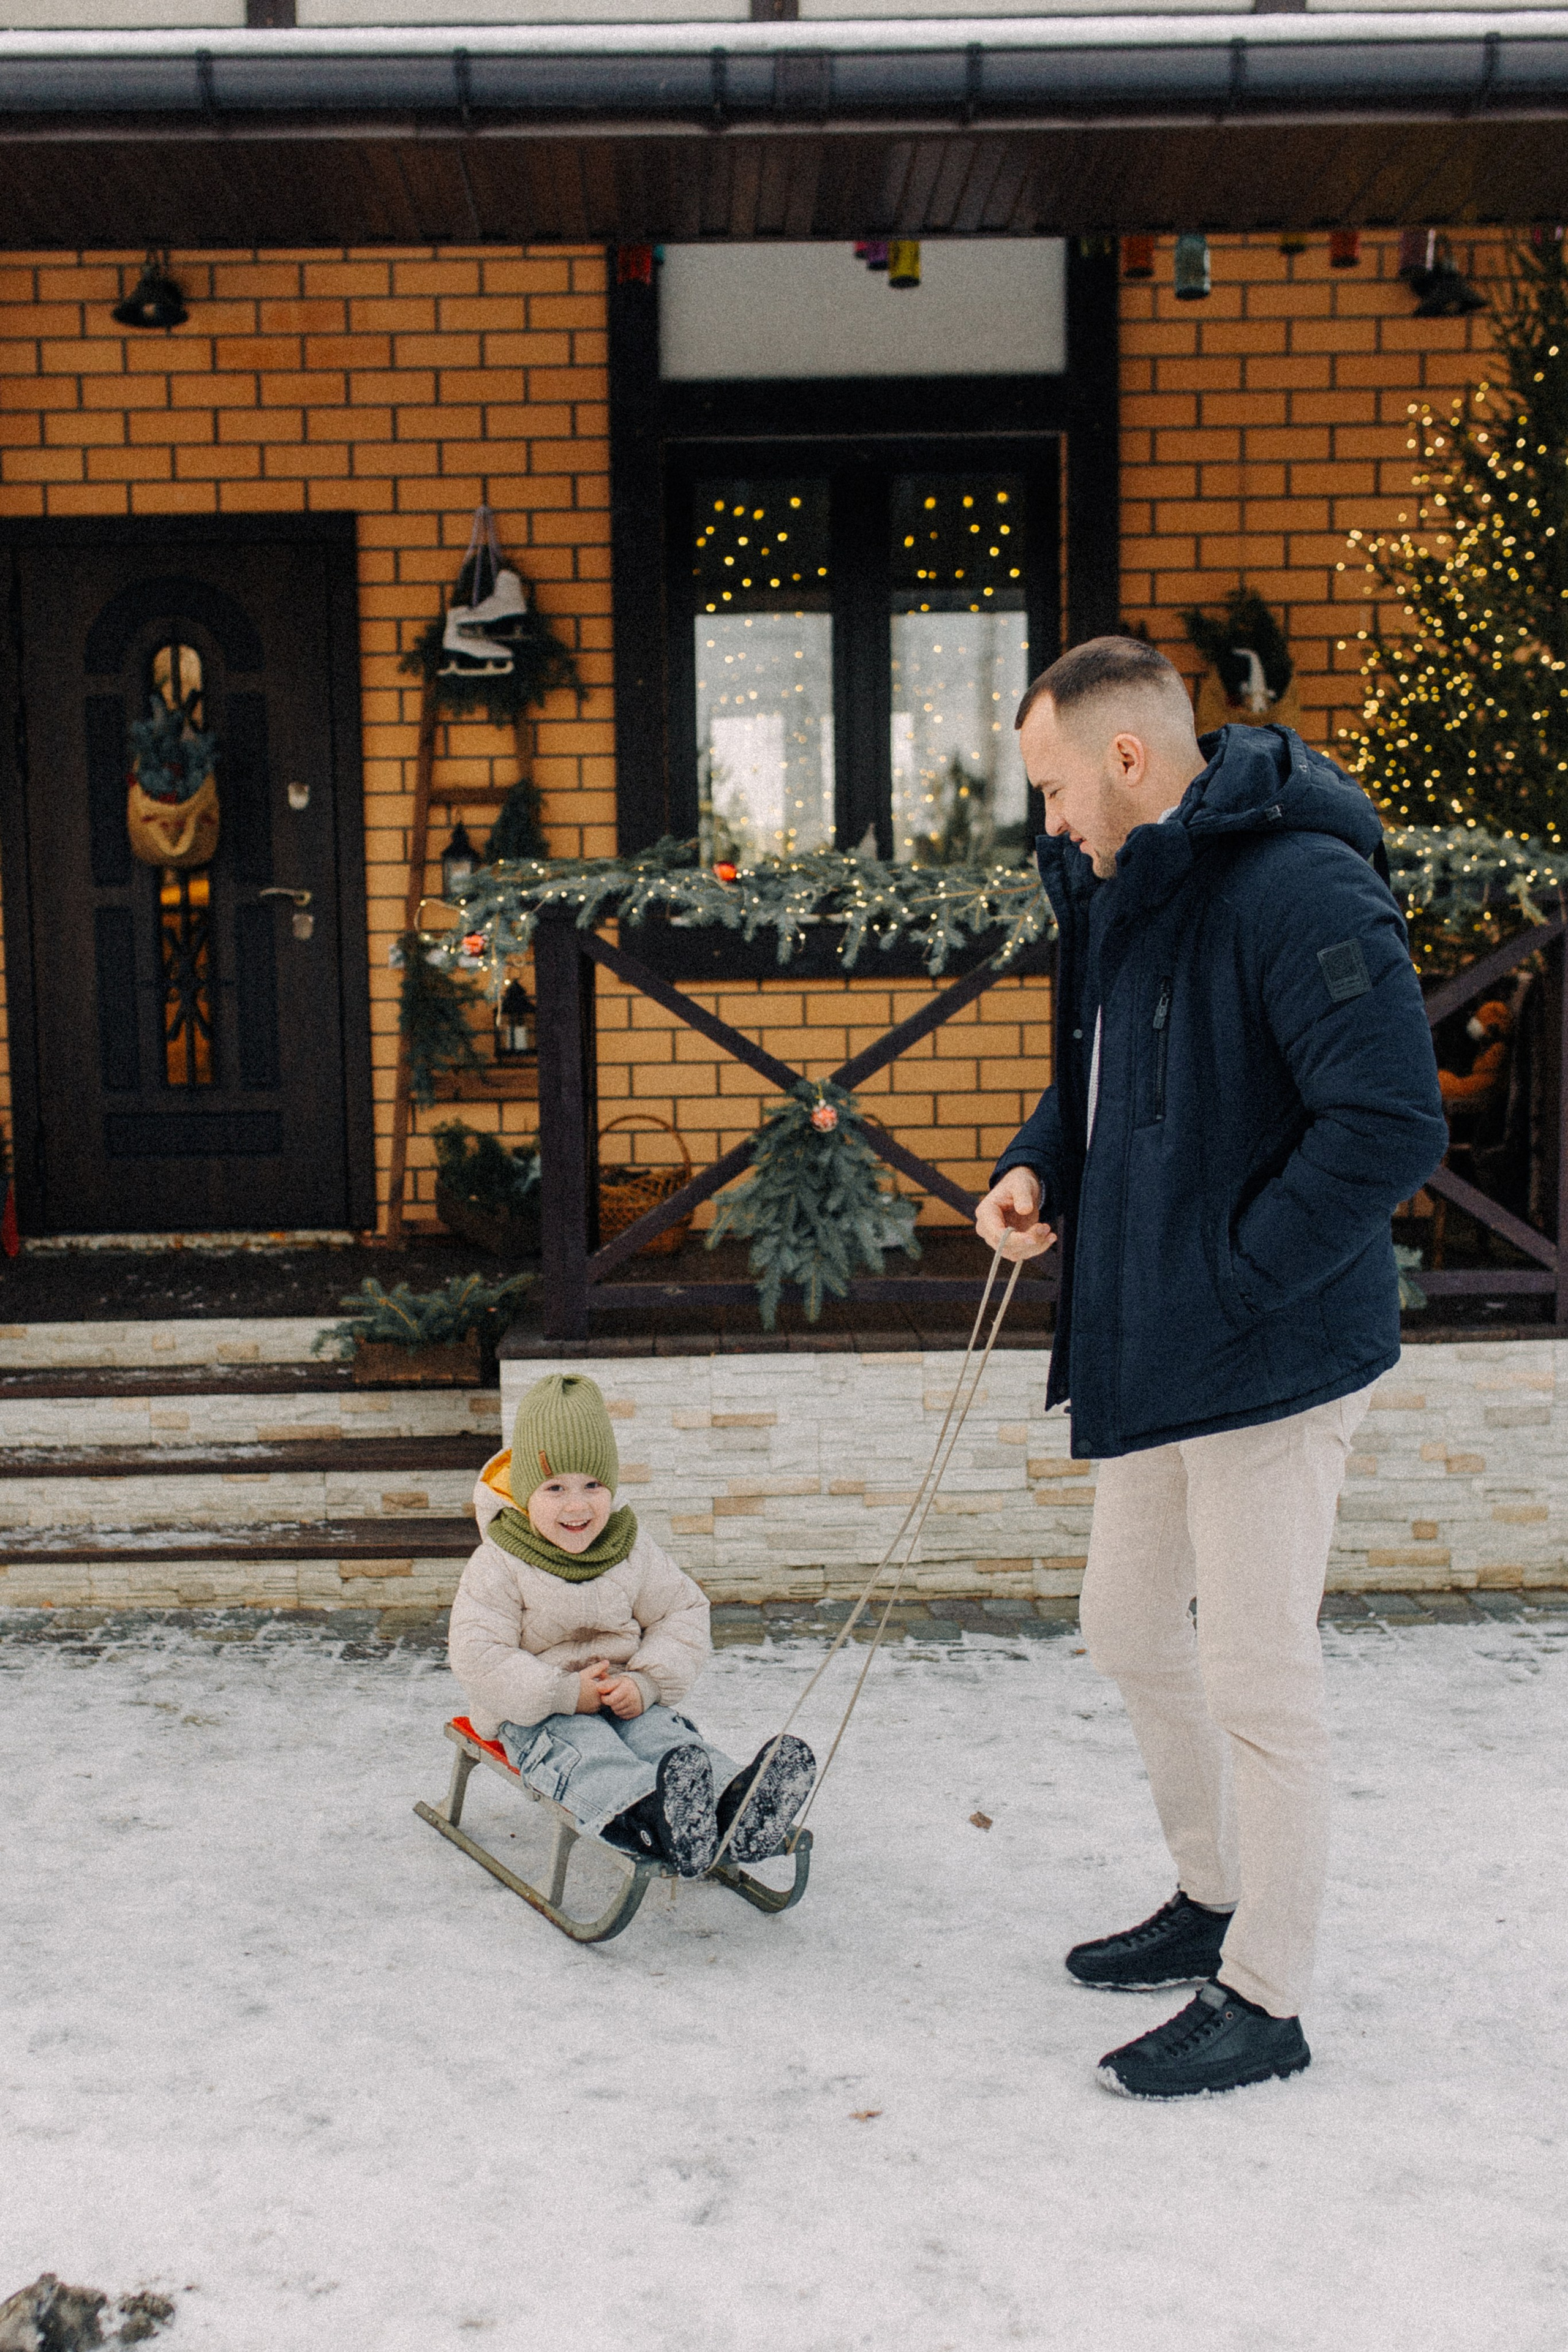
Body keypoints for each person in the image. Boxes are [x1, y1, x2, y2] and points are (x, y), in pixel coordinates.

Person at [974, 636, 1446, 2100]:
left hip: (1267, 1351)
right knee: (1126, 1624)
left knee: (1256, 1671)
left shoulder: (1300, 885)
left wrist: (1235, 1276)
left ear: (1126, 758)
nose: (1045, 821)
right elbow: (1104, 1067)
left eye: (1052, 786)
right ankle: (1211, 1890)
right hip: (1156, 1335)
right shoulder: (1137, 889)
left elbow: (1383, 1123)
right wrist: (1037, 1166)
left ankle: (1266, 1992)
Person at [448, 1372, 815, 1878]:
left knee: (667, 1741)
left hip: (625, 1693)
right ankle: (652, 1819)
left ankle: (739, 1803)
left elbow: (682, 1612)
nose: (577, 1505)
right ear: (525, 1493)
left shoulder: (629, 1548)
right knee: (590, 1754)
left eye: (593, 1485)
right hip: (540, 1713)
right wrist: (560, 1693)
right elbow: (477, 1653)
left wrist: (646, 1682)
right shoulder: (500, 1562)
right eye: (555, 1488)